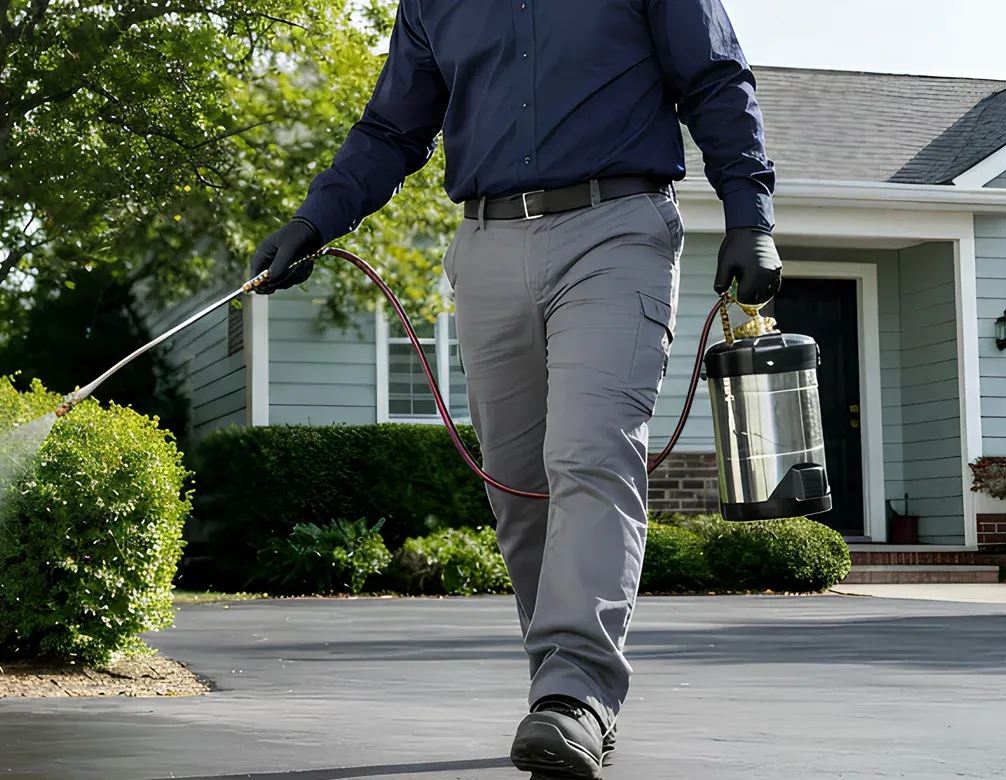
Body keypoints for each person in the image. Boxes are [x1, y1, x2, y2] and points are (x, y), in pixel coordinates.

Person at [245, 1, 783, 777]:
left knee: (589, 451)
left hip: (617, 228)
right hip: (488, 242)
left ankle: (577, 694)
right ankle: (559, 698)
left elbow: (714, 78)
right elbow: (393, 129)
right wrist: (313, 222)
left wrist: (750, 214)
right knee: (520, 483)